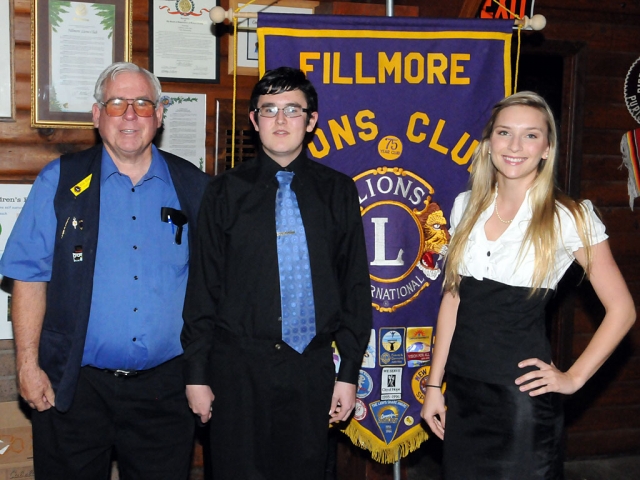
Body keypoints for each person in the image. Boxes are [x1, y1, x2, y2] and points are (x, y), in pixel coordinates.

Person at [0, 62, 210, 479]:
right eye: (116, 103)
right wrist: (27, 365)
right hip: (75, 385)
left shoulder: (194, 186)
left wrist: (203, 375)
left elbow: (212, 287)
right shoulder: (60, 181)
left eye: (141, 103)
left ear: (160, 114)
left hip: (166, 392)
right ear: (97, 115)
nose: (129, 115)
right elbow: (28, 275)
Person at [419, 91, 636, 479]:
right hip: (464, 395)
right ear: (488, 145)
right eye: (504, 133)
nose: (515, 145)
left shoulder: (569, 217)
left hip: (521, 403)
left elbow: (622, 309)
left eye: (531, 135)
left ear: (547, 149)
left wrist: (573, 377)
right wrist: (434, 385)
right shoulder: (465, 205)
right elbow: (453, 299)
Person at [181, 66, 372, 480]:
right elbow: (202, 291)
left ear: (312, 120)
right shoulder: (223, 192)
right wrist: (197, 375)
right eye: (269, 110)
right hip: (237, 369)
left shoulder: (338, 191)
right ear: (254, 121)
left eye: (292, 109)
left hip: (311, 370)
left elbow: (354, 286)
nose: (281, 120)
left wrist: (349, 374)